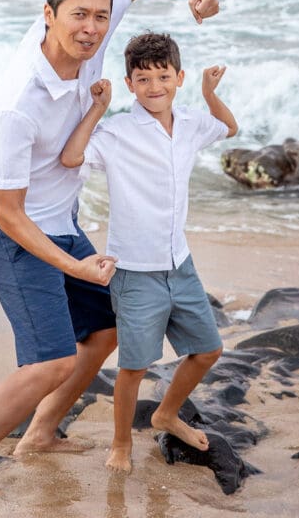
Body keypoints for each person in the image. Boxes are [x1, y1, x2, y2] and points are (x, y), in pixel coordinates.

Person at [0, 0, 220, 494]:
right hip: (15, 240)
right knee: (50, 361)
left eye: (100, 16)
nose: (91, 28)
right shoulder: (16, 106)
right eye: (79, 16)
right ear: (48, 16)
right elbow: (8, 216)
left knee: (105, 330)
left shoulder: (91, 33)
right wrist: (75, 266)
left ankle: (41, 433)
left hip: (61, 224)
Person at [60, 31, 238, 473]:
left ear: (178, 77)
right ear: (130, 82)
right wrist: (98, 108)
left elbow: (229, 127)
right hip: (135, 271)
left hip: (180, 263)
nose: (154, 87)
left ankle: (165, 413)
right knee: (135, 367)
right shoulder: (118, 131)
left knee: (208, 350)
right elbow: (70, 157)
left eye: (163, 76)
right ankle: (121, 442)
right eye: (143, 79)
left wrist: (210, 93)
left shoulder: (193, 123)